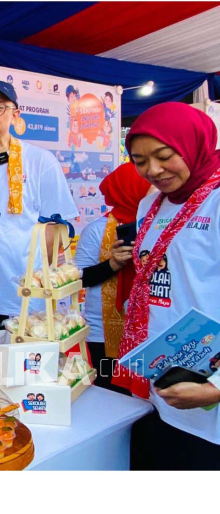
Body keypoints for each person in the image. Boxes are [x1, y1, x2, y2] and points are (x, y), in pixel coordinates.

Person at [116, 102, 220, 469]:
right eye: (140, 160)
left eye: (163, 155)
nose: (153, 170)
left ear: (193, 143)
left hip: (209, 390)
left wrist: (217, 385)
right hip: (162, 376)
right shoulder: (151, 204)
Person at [0, 80, 76, 361]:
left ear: (15, 114)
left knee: (23, 391)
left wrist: (36, 275)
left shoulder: (40, 162)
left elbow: (60, 228)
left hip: (23, 304)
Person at [74, 164, 151, 394]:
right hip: (103, 335)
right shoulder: (97, 230)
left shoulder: (158, 227)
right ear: (131, 189)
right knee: (111, 395)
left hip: (148, 331)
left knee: (143, 398)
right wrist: (113, 264)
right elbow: (80, 278)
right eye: (149, 187)